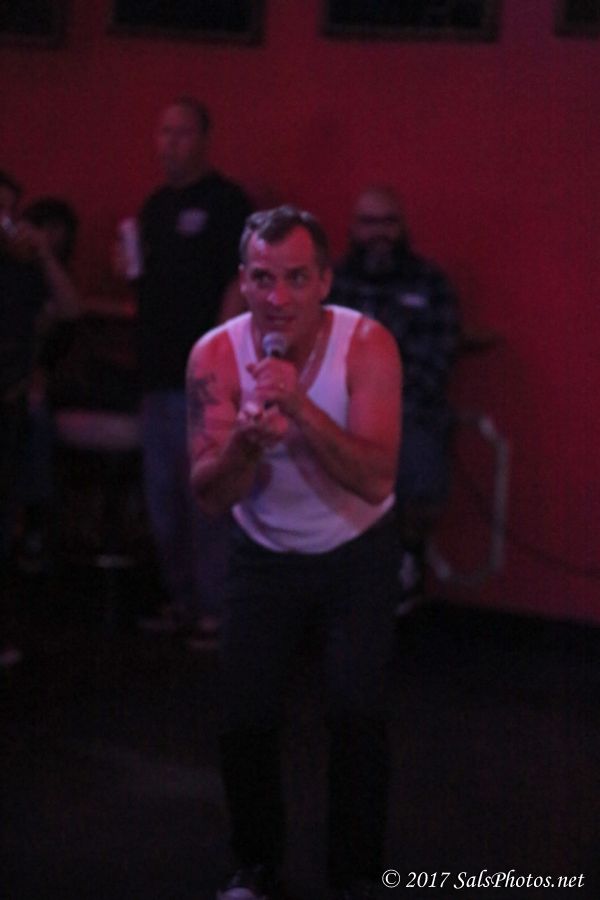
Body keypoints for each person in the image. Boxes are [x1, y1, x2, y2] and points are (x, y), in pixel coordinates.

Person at [186, 205, 402, 900]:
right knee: (244, 717)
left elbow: (376, 479)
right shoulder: (215, 355)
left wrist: (300, 408)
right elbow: (211, 497)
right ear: (243, 281)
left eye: (296, 278)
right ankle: (256, 866)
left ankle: (357, 874)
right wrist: (245, 446)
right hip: (264, 549)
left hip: (356, 547)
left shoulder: (366, 345)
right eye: (263, 278)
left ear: (324, 282)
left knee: (357, 713)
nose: (278, 297)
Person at [122, 97, 252, 644]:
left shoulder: (227, 203)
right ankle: (181, 600)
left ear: (203, 139)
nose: (169, 143)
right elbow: (146, 282)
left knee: (204, 500)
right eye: (163, 132)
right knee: (163, 501)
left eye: (181, 132)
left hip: (202, 378)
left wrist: (218, 359)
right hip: (155, 372)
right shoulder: (154, 207)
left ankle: (215, 610)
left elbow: (241, 281)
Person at [330, 186, 460, 612]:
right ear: (353, 228)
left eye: (388, 222)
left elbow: (434, 364)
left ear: (403, 227)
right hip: (338, 412)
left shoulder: (431, 284)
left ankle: (404, 557)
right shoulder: (332, 282)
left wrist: (378, 405)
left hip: (408, 412)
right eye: (369, 222)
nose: (379, 233)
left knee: (420, 474)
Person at [1, 181, 79, 666]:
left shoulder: (24, 269)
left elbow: (69, 310)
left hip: (8, 400)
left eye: (10, 212)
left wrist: (45, 255)